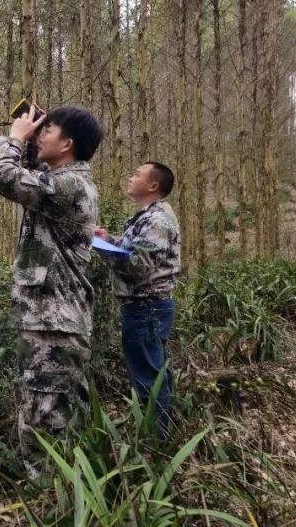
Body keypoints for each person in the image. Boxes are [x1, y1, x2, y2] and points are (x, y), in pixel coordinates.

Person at [0, 104, 104, 476]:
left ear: (68, 144)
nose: (40, 135)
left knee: (46, 426)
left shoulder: (68, 186)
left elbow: (3, 175)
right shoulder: (62, 181)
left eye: (48, 130)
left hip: (54, 327)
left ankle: (51, 497)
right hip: (50, 323)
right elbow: (26, 172)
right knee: (47, 418)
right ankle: (56, 495)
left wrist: (15, 139)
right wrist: (32, 138)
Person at [94, 162, 181, 439]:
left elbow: (139, 266)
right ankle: (162, 434)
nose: (130, 178)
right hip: (146, 307)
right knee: (153, 372)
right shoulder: (149, 217)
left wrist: (101, 248)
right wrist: (109, 239)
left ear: (153, 185)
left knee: (147, 378)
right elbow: (136, 250)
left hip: (146, 307)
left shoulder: (157, 220)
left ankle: (155, 441)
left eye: (137, 175)